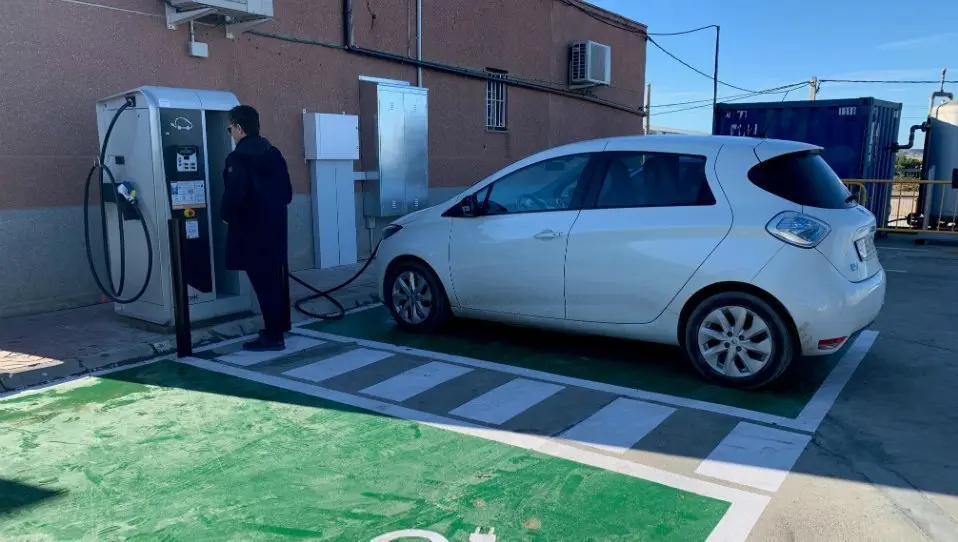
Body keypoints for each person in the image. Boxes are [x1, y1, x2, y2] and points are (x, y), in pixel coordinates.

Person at [221, 105, 293, 352]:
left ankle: (273, 336)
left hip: (252, 234)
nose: (230, 133)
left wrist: (225, 216)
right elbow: (288, 194)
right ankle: (279, 327)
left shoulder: (238, 158)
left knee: (264, 286)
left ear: (239, 128)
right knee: (273, 281)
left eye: (230, 128)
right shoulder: (273, 153)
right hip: (275, 231)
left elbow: (235, 195)